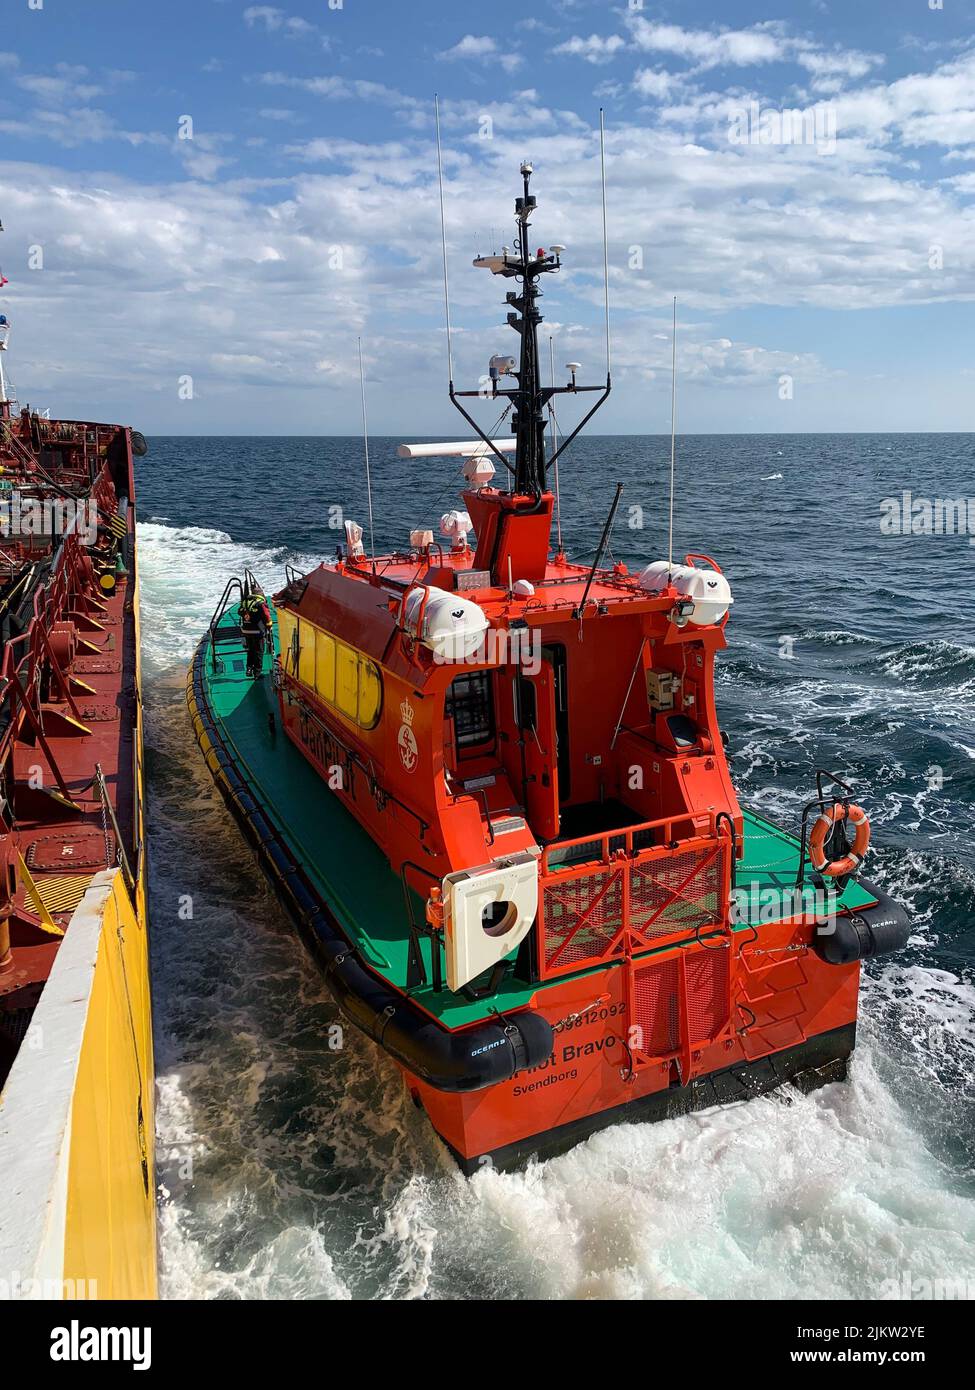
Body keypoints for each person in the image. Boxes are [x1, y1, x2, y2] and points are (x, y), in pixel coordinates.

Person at [240, 589, 272, 679]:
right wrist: (269, 626)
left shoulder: (246, 602)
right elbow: (266, 616)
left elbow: (240, 612)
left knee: (250, 650)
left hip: (246, 630)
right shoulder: (261, 603)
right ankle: (257, 674)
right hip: (257, 631)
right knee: (259, 651)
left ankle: (249, 669)